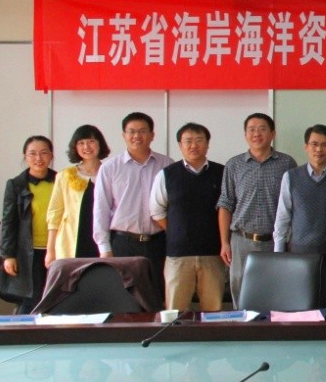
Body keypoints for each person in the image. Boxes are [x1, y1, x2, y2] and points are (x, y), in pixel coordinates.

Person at [217, 113, 297, 305]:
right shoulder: (234, 165)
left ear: (272, 134)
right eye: (251, 130)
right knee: (240, 289)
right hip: (241, 240)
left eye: (262, 129)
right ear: (245, 134)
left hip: (275, 241)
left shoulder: (287, 163)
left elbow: (294, 205)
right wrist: (224, 242)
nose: (256, 134)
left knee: (276, 289)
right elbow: (225, 204)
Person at [93, 112, 173, 297]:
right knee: (124, 299)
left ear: (152, 135)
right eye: (131, 131)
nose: (137, 136)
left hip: (158, 243)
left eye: (143, 131)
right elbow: (100, 210)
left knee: (157, 297)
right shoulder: (109, 167)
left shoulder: (167, 165)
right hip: (123, 243)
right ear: (124, 135)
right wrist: (104, 248)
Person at [148, 122, 226, 311]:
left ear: (207, 144)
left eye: (199, 140)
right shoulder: (167, 174)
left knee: (213, 310)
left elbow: (228, 209)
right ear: (180, 145)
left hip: (213, 253)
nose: (193, 145)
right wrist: (176, 230)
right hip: (178, 255)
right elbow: (156, 211)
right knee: (175, 312)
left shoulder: (222, 173)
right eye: (188, 141)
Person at [273, 124, 326, 310]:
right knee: (299, 306)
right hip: (299, 254)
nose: (319, 149)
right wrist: (278, 253)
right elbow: (282, 217)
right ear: (306, 147)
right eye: (314, 144)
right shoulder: (291, 177)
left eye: (324, 144)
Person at [0, 135, 57, 312]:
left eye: (44, 153)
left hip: (58, 251)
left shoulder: (62, 181)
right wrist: (8, 255)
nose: (38, 158)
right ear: (25, 157)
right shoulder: (16, 185)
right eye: (32, 153)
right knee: (31, 301)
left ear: (51, 155)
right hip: (28, 253)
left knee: (57, 299)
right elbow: (8, 221)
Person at [45, 124, 110, 267]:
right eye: (81, 143)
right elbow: (54, 215)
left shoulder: (110, 172)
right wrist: (50, 251)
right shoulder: (65, 175)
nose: (86, 147)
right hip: (72, 240)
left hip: (103, 242)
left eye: (91, 141)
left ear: (100, 143)